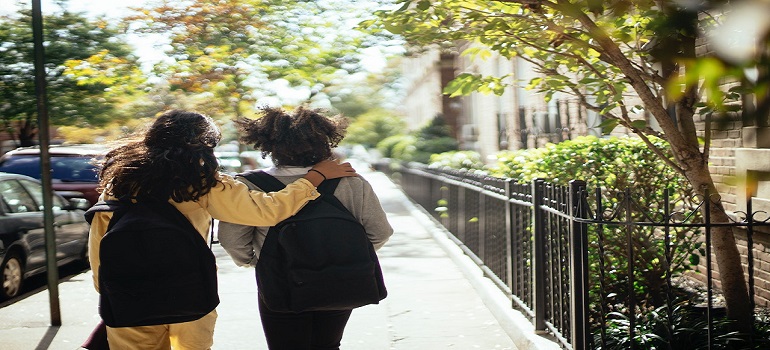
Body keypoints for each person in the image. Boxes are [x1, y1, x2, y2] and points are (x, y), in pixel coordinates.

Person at [88, 109, 358, 350]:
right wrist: (315, 178)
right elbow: (267, 210)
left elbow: (100, 240)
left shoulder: (119, 182)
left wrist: (109, 291)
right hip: (187, 290)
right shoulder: (198, 184)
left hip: (127, 293)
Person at [218, 106, 393, 350]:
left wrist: (256, 261)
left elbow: (232, 238)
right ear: (324, 140)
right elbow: (380, 231)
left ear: (269, 145)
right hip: (340, 277)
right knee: (328, 345)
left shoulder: (249, 184)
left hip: (280, 279)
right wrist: (347, 256)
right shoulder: (351, 181)